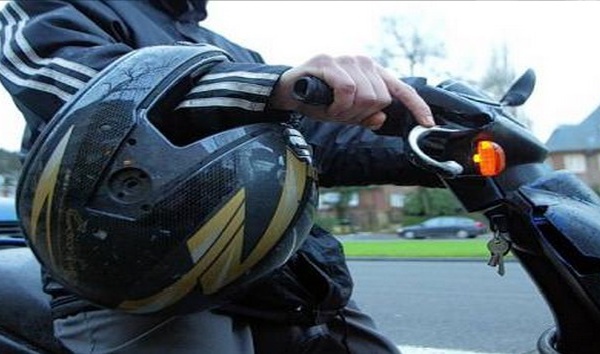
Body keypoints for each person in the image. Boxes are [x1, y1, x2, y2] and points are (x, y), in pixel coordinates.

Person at [0, 1, 442, 353]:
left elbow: (313, 140)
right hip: (143, 283)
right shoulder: (52, 9)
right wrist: (277, 86)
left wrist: (434, 144)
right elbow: (95, 93)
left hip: (285, 277)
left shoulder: (224, 47)